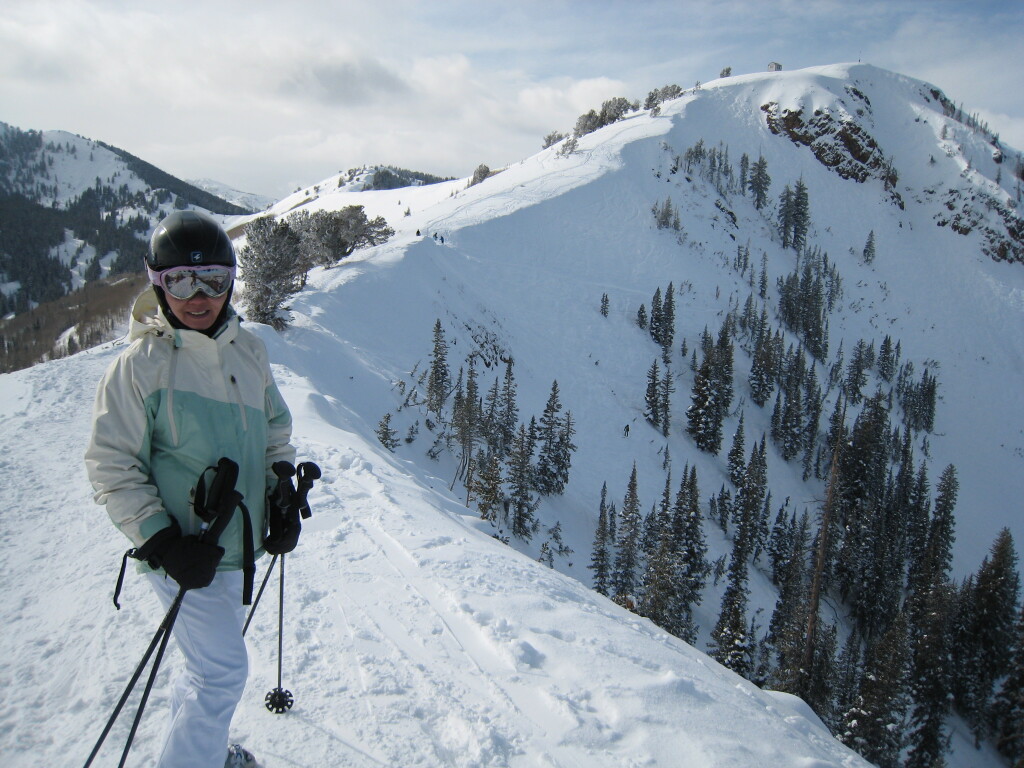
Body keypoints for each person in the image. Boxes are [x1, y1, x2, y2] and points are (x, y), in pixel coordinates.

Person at [85, 210, 296, 768]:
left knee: (204, 666)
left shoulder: (249, 352)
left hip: (233, 548)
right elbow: (111, 465)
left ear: (230, 282)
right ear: (158, 284)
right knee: (222, 672)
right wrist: (162, 541)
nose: (198, 297)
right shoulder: (140, 367)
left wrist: (279, 494)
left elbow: (275, 432)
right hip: (183, 551)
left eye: (213, 281)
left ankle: (197, 751)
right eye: (180, 281)